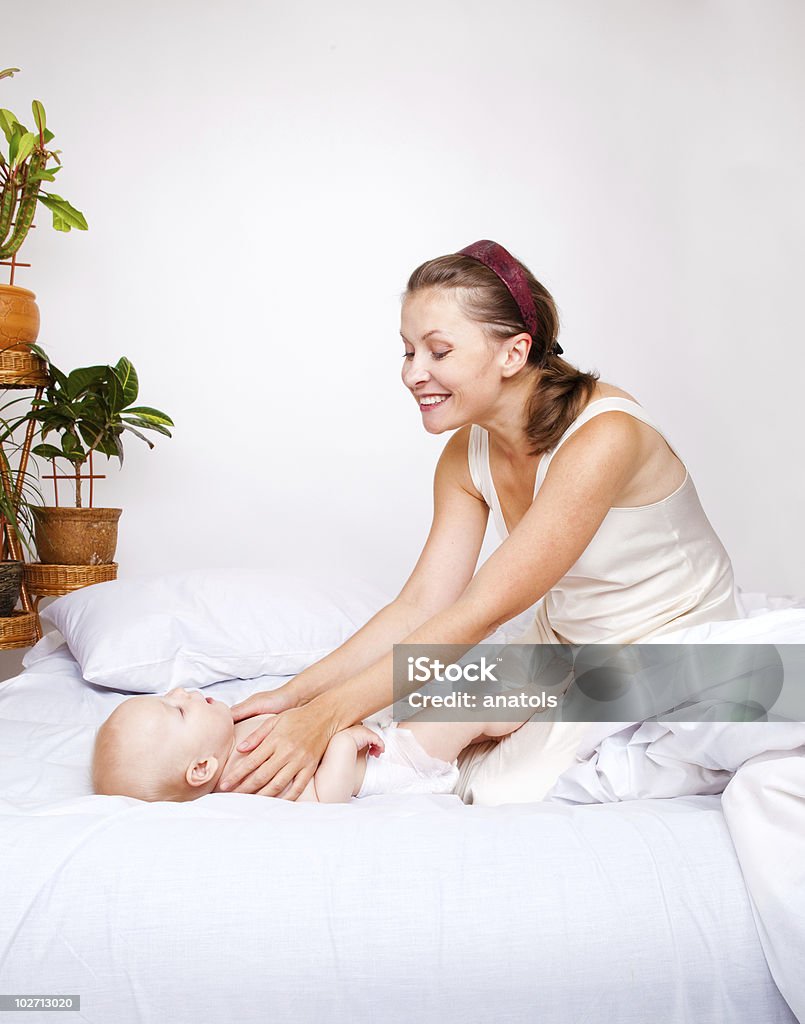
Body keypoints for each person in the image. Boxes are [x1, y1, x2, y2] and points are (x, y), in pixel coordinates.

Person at [218, 239, 741, 801]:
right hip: (564, 646)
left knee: (494, 790)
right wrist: (296, 699)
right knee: (428, 722)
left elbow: (480, 613)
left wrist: (325, 716)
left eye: (438, 352)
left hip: (670, 648)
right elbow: (423, 605)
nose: (413, 373)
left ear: (513, 354)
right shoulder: (465, 453)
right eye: (407, 351)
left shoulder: (603, 439)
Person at [91, 686, 522, 802]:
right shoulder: (243, 783)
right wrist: (343, 741)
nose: (181, 692)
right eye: (178, 710)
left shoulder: (233, 736)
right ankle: (552, 696)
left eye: (170, 696)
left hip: (385, 735)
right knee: (472, 707)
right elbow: (324, 797)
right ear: (201, 768)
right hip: (393, 762)